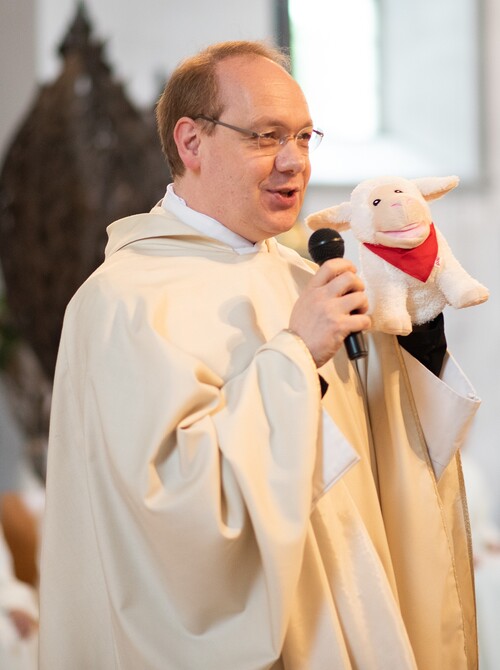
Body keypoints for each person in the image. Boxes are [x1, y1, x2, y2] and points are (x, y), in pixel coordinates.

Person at [39, 40, 481, 669]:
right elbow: (167, 511)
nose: (293, 162)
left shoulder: (305, 279)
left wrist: (420, 336)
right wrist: (296, 355)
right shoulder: (122, 303)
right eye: (266, 136)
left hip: (354, 612)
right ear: (191, 142)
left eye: (303, 137)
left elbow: (383, 460)